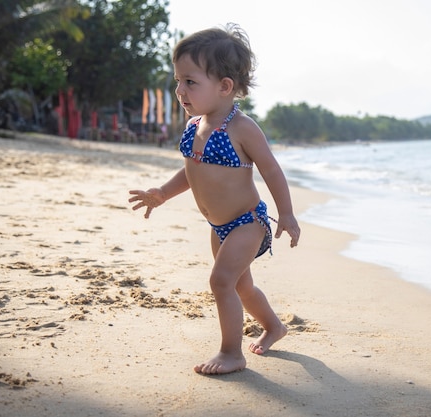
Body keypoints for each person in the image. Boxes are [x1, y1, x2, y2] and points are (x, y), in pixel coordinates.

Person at [128, 23, 301, 375]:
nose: (180, 90)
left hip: (247, 222)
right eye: (178, 80)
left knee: (221, 282)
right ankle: (275, 327)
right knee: (242, 285)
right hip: (218, 225)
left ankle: (231, 352)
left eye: (190, 82)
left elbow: (271, 170)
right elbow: (193, 172)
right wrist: (162, 193)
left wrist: (287, 214)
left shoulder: (242, 128)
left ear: (225, 87)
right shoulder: (195, 125)